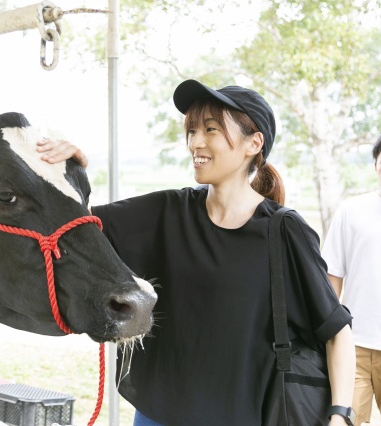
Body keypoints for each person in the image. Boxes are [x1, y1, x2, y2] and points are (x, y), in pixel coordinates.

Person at [37, 79, 356, 425]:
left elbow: (336, 331)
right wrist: (70, 170)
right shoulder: (167, 212)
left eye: (211, 129)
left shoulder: (283, 232)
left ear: (254, 142)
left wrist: (340, 415)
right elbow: (73, 229)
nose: (195, 142)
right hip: (156, 416)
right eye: (192, 131)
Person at [322, 136, 381, 426]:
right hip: (352, 346)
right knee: (347, 421)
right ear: (375, 164)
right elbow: (333, 277)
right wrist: (330, 335)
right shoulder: (352, 210)